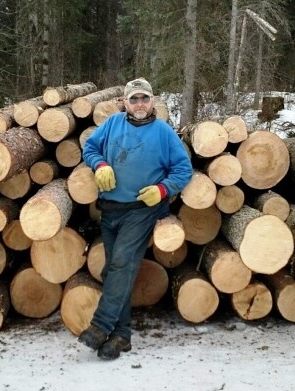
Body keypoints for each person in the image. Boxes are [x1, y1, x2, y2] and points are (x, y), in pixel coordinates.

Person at [79, 78, 193, 360]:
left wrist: (163, 189)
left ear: (153, 101)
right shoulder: (112, 125)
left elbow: (183, 169)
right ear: (125, 103)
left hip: (143, 209)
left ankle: (101, 326)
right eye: (134, 99)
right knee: (115, 271)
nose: (140, 104)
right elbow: (89, 149)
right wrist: (100, 164)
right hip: (111, 209)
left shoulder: (163, 132)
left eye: (144, 99)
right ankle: (121, 336)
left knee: (120, 263)